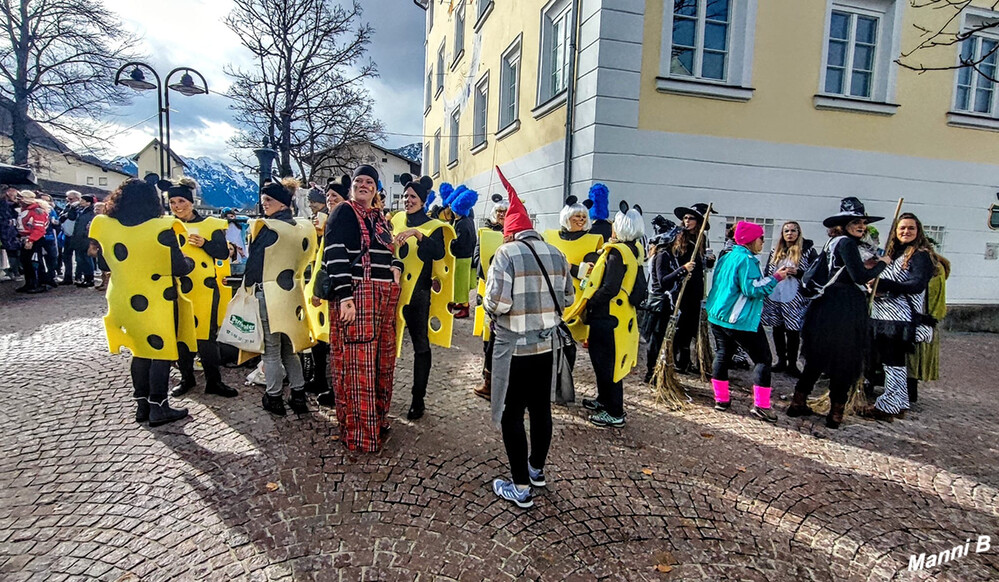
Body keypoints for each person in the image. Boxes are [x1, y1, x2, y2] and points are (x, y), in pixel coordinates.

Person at [485, 166, 574, 508]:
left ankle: (520, 487)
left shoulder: (505, 254)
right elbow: (567, 298)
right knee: (541, 410)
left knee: (511, 415)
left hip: (516, 350)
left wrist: (488, 306)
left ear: (509, 233)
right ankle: (537, 470)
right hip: (547, 346)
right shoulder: (557, 253)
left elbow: (499, 301)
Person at [88, 179, 195, 426]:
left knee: (139, 350)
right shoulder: (162, 227)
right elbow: (178, 266)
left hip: (124, 297)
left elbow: (103, 264)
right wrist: (188, 261)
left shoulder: (106, 226)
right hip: (158, 297)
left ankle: (142, 405)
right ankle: (159, 406)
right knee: (160, 350)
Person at [786, 197, 890, 428]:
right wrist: (883, 262)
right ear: (843, 224)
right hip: (845, 308)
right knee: (845, 360)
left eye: (863, 222)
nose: (861, 226)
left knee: (816, 357)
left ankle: (798, 401)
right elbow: (859, 277)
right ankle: (835, 413)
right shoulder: (847, 244)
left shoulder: (832, 243)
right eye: (856, 222)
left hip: (825, 306)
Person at [322, 165, 402, 452]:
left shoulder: (379, 218)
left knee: (382, 363)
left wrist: (395, 267)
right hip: (358, 294)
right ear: (352, 186)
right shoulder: (343, 211)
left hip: (383, 297)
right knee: (358, 367)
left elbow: (390, 251)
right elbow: (334, 253)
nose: (364, 185)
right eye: (359, 181)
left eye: (369, 181)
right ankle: (360, 435)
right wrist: (345, 296)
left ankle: (378, 423)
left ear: (376, 188)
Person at [568, 201, 647, 428]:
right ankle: (603, 400)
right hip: (620, 316)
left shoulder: (617, 253)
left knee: (607, 364)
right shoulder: (634, 250)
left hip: (608, 316)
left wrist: (590, 302)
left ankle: (615, 411)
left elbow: (610, 287)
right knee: (603, 361)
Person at [243, 181, 318, 416]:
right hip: (292, 292)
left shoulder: (267, 227)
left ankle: (274, 396)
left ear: (282, 203)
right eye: (264, 200)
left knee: (271, 350)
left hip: (269, 292)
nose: (264, 205)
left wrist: (247, 290)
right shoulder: (302, 227)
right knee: (289, 349)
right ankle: (298, 395)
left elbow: (253, 265)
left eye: (269, 201)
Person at [706, 222, 790, 423]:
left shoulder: (727, 256)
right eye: (761, 238)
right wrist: (776, 277)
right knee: (763, 359)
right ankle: (761, 406)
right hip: (739, 319)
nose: (763, 241)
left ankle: (721, 400)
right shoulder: (747, 260)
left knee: (722, 354)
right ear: (752, 240)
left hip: (718, 316)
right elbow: (752, 289)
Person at [166, 181, 239, 399]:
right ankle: (186, 379)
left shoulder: (212, 224)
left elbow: (223, 254)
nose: (177, 206)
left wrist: (205, 243)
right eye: (172, 202)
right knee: (182, 335)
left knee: (206, 337)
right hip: (178, 287)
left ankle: (214, 381)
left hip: (205, 288)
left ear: (191, 202)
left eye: (181, 201)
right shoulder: (167, 225)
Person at [391, 174, 454, 421]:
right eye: (406, 196)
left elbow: (437, 253)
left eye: (413, 197)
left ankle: (418, 398)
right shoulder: (396, 219)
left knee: (420, 345)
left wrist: (419, 235)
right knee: (388, 343)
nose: (408, 200)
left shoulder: (434, 226)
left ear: (423, 201)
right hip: (395, 291)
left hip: (419, 293)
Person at [862, 213, 935, 421]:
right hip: (882, 314)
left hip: (900, 317)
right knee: (890, 361)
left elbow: (916, 284)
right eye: (902, 228)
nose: (906, 231)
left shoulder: (920, 255)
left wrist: (887, 286)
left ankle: (889, 404)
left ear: (918, 231)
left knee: (893, 361)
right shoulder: (893, 254)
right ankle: (899, 401)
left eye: (911, 228)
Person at [543, 195, 603, 343]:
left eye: (584, 216)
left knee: (572, 338)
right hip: (550, 293)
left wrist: (570, 267)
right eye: (577, 216)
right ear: (567, 217)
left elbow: (592, 273)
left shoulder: (592, 241)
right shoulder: (549, 237)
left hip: (577, 298)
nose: (581, 219)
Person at [663, 203, 715, 374]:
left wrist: (709, 261)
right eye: (685, 218)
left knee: (692, 324)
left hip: (696, 286)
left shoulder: (702, 239)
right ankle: (678, 358)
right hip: (682, 284)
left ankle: (687, 360)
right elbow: (672, 259)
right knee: (681, 321)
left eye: (691, 218)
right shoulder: (678, 236)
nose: (687, 221)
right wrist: (683, 268)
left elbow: (704, 265)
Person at [761, 221, 818, 377]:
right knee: (777, 328)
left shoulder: (807, 252)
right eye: (787, 230)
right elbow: (768, 271)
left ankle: (792, 364)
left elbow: (815, 273)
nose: (790, 233)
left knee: (793, 331)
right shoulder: (775, 251)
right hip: (775, 295)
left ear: (798, 233)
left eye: (793, 230)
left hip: (795, 295)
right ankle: (780, 360)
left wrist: (798, 273)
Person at [642, 215, 690, 382]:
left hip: (664, 303)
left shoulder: (669, 255)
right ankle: (651, 373)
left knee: (661, 339)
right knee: (656, 341)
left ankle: (657, 372)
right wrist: (682, 270)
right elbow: (662, 282)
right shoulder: (662, 255)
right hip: (660, 304)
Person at [472, 194, 508, 400]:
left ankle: (498, 378)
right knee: (488, 334)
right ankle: (488, 377)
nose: (502, 215)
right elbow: (478, 257)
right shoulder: (485, 233)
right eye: (499, 212)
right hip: (488, 287)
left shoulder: (514, 233)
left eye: (505, 212)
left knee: (500, 336)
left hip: (507, 290)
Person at [907, 248, 949, 404]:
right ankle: (910, 392)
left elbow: (929, 294)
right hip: (924, 317)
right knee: (912, 358)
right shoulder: (937, 266)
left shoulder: (935, 269)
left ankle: (910, 394)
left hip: (920, 318)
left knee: (912, 358)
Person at [441, 185, 478, 318]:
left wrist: (449, 244)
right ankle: (460, 302)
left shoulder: (463, 223)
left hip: (462, 257)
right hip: (463, 256)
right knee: (458, 282)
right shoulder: (465, 221)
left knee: (461, 283)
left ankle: (465, 306)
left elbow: (461, 241)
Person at [14, 191, 50, 294]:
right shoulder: (23, 210)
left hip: (35, 239)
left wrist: (31, 240)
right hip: (25, 238)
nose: (18, 200)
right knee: (25, 262)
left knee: (35, 262)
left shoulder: (37, 211)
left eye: (20, 198)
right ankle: (29, 283)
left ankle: (39, 284)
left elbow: (39, 229)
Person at [69, 195, 97, 288]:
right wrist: (72, 208)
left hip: (85, 239)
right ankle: (85, 278)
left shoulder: (91, 213)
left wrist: (86, 234)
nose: (80, 202)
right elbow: (71, 217)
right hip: (79, 238)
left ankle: (90, 278)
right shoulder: (80, 211)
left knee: (86, 259)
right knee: (80, 260)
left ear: (88, 203)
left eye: (83, 200)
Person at [57, 190, 82, 284]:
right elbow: (61, 217)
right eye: (67, 198)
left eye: (70, 198)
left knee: (79, 258)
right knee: (66, 257)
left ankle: (78, 277)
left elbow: (72, 216)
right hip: (67, 235)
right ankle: (67, 277)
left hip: (76, 236)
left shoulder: (79, 207)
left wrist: (69, 211)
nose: (68, 200)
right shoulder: (67, 206)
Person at [0, 185, 23, 281]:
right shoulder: (3, 204)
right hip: (7, 231)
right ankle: (14, 272)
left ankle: (14, 271)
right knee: (12, 251)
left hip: (11, 231)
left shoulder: (10, 205)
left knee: (14, 251)